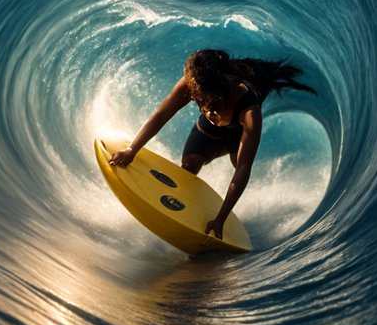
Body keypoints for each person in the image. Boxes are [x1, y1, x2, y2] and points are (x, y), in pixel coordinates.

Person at [109, 49, 316, 239]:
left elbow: (245, 167)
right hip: (214, 120)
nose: (185, 76)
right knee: (190, 164)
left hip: (238, 128)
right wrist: (132, 149)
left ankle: (227, 149)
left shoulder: (250, 111)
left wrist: (220, 219)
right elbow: (161, 115)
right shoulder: (191, 85)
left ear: (209, 91)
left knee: (238, 163)